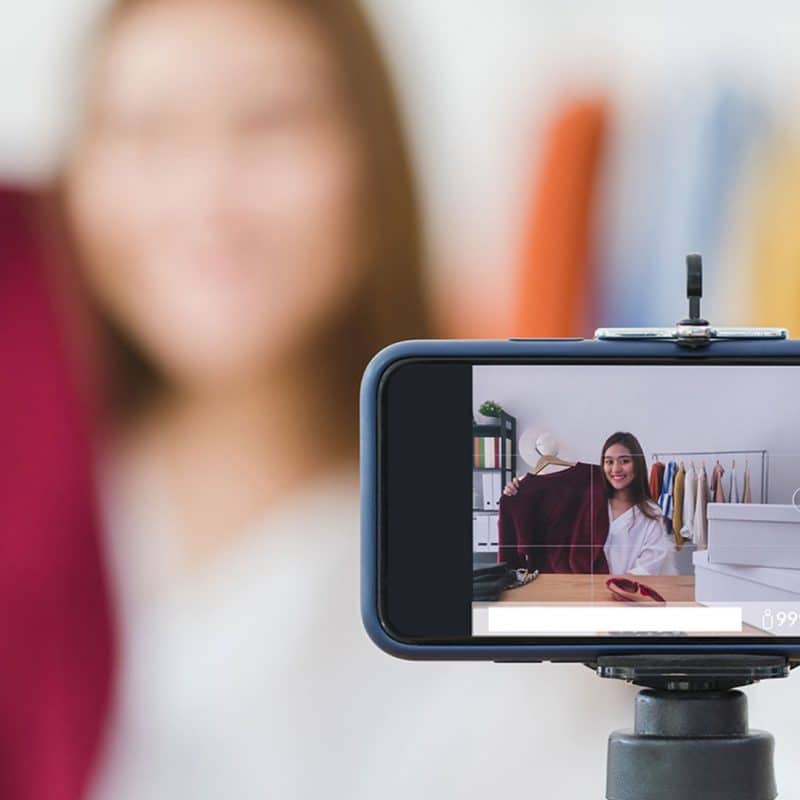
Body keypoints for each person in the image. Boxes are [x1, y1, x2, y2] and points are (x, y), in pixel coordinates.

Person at [57, 0, 594, 797]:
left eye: (271, 122)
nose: (208, 197)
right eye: (145, 131)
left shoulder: (509, 546)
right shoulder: (41, 495)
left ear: (373, 157)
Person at [504, 431, 670, 575]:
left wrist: (616, 587)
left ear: (637, 464)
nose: (616, 469)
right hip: (584, 594)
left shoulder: (651, 513)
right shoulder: (589, 499)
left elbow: (649, 566)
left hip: (626, 597)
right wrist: (517, 491)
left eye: (624, 461)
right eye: (609, 461)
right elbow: (549, 497)